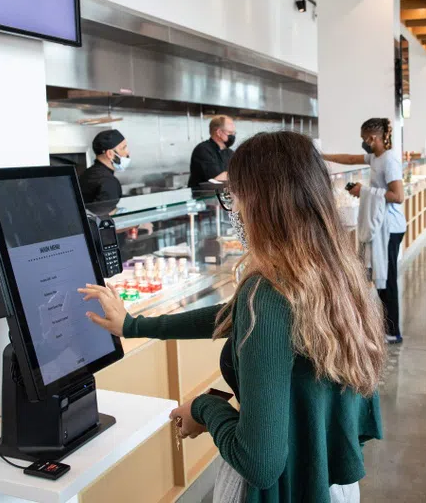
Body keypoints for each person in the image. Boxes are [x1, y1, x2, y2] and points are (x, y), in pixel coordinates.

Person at [81, 131, 385, 503]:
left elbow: (259, 463)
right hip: (327, 480)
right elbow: (235, 313)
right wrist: (135, 326)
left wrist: (203, 408)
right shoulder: (337, 270)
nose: (233, 209)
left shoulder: (268, 295)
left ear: (259, 203)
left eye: (233, 196)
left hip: (284, 490)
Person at [323, 118, 407, 344]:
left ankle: (393, 331)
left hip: (390, 227)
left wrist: (365, 191)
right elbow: (350, 159)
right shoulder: (375, 157)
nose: (363, 144)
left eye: (364, 140)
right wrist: (322, 157)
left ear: (373, 138)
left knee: (387, 280)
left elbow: (399, 196)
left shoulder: (389, 160)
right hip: (381, 226)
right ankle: (386, 327)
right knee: (381, 278)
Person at [80, 129, 129, 204]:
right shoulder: (108, 182)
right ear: (110, 154)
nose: (127, 152)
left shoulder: (86, 173)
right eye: (123, 148)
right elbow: (107, 213)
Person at [188, 115, 237, 189]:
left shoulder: (230, 153)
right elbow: (218, 179)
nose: (233, 136)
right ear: (219, 132)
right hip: (202, 198)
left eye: (234, 133)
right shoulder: (203, 150)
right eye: (230, 133)